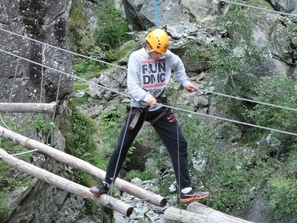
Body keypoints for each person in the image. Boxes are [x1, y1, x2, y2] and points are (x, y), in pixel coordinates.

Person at [90, 28, 210, 204]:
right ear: (148, 47)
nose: (160, 56)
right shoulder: (136, 57)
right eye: (157, 53)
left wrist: (185, 82)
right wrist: (147, 97)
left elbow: (177, 64)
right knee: (123, 144)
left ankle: (186, 190)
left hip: (159, 108)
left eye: (162, 53)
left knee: (180, 144)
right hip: (139, 107)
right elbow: (132, 85)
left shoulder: (167, 55)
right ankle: (106, 184)